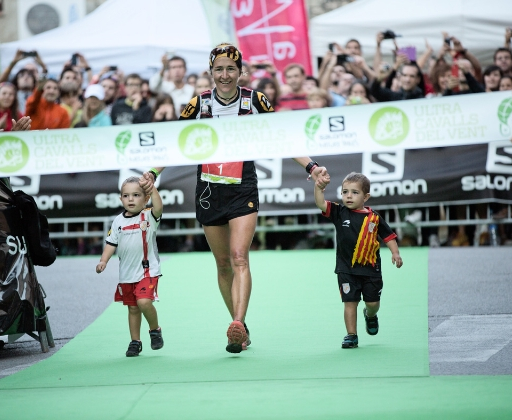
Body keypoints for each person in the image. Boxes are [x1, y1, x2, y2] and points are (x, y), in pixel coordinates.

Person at [139, 43, 329, 354]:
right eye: (219, 69)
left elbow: (282, 135)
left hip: (243, 187)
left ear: (240, 72)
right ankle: (240, 326)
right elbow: (175, 143)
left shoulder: (255, 100)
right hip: (209, 190)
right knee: (223, 263)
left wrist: (311, 165)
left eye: (231, 68)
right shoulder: (197, 105)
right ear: (210, 73)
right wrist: (152, 172)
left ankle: (238, 323)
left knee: (240, 256)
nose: (225, 74)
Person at [314, 172, 403, 349]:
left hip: (371, 269)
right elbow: (320, 203)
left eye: (354, 192)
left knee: (372, 303)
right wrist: (318, 188)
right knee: (350, 302)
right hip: (346, 269)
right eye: (345, 191)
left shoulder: (374, 218)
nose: (348, 196)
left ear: (366, 197)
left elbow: (388, 236)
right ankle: (351, 335)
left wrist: (395, 253)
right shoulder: (339, 212)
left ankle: (370, 315)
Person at [96, 176, 164, 357]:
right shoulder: (118, 221)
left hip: (147, 271)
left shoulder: (149, 216)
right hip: (126, 274)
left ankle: (154, 330)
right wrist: (103, 260)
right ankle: (135, 342)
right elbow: (111, 243)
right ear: (121, 199)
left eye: (136, 195)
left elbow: (159, 207)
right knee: (133, 308)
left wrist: (152, 188)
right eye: (126, 196)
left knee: (143, 301)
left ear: (146, 198)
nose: (131, 199)